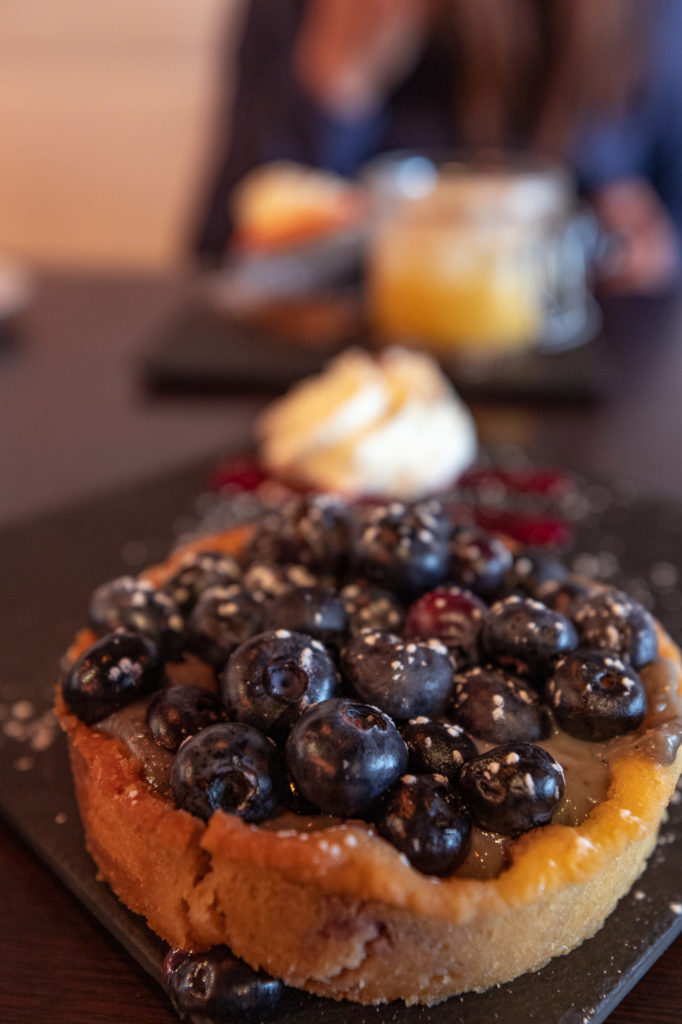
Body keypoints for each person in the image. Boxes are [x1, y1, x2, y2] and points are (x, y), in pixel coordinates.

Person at [192, 0, 682, 293]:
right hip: (341, 377)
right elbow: (220, 257)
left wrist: (648, 255)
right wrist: (337, 82)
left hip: (572, 392)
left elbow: (658, 241)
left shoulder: (649, 20)